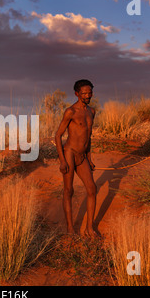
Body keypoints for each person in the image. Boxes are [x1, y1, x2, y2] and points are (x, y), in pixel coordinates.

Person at [55, 79, 98, 238]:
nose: (88, 95)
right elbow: (58, 135)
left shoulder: (92, 111)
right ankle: (70, 229)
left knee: (92, 189)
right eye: (84, 93)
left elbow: (88, 137)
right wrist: (62, 161)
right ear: (77, 94)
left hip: (82, 155)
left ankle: (89, 229)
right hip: (70, 153)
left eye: (90, 92)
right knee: (69, 190)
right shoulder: (70, 112)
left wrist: (89, 158)